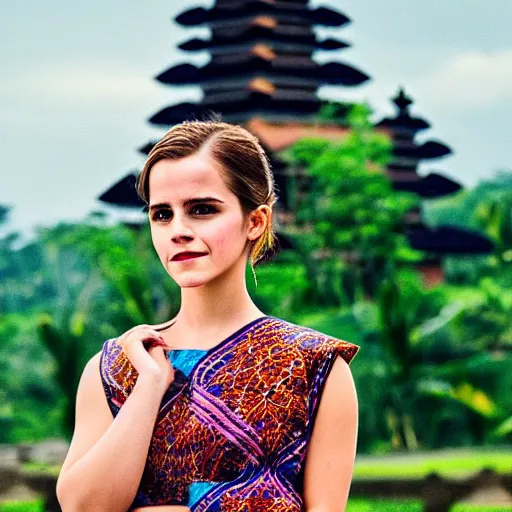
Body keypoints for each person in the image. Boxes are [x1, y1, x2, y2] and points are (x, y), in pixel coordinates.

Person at [56, 120, 360, 512]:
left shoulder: (315, 367)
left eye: (202, 210)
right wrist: (149, 387)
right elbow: (82, 507)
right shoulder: (116, 368)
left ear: (256, 222)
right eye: (162, 214)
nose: (178, 230)